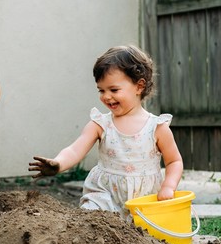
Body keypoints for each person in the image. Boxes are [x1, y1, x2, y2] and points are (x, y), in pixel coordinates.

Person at [29, 45, 183, 219]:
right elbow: (75, 149)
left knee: (142, 236)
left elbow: (174, 161)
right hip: (104, 195)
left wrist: (168, 186)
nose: (106, 96)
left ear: (139, 86)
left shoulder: (157, 127)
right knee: (91, 218)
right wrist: (58, 164)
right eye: (101, 90)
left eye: (114, 90)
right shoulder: (100, 124)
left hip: (143, 199)